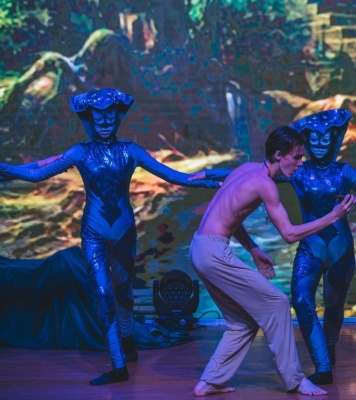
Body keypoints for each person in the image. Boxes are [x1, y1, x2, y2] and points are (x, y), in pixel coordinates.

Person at [193, 109, 356, 384]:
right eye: (314, 139)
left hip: (340, 251)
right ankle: (322, 367)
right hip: (310, 248)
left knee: (334, 305)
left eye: (325, 139)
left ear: (334, 140)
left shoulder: (344, 172)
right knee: (301, 301)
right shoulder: (298, 170)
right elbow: (249, 174)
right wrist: (207, 173)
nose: (319, 144)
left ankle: (328, 349)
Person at [0, 88, 222, 385]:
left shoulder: (131, 150)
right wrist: (4, 168)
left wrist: (219, 181)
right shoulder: (80, 152)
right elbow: (38, 174)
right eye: (99, 117)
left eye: (109, 116)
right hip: (94, 233)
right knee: (104, 295)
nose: (104, 122)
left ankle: (127, 341)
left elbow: (176, 177)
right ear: (90, 120)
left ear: (117, 118)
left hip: (124, 233)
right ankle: (119, 364)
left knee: (124, 291)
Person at [188, 126, 356, 397]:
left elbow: (232, 217)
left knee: (242, 323)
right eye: (297, 157)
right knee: (277, 303)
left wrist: (253, 249)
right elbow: (289, 234)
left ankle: (210, 382)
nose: (300, 163)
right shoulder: (265, 184)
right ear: (279, 155)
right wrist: (333, 216)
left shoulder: (246, 169)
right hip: (213, 253)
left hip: (200, 248)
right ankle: (295, 380)